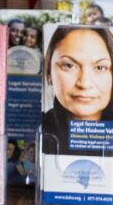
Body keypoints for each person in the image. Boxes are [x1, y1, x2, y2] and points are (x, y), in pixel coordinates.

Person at [42, 22, 113, 155]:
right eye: (69, 65)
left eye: (100, 67)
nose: (84, 83)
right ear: (49, 72)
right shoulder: (39, 130)